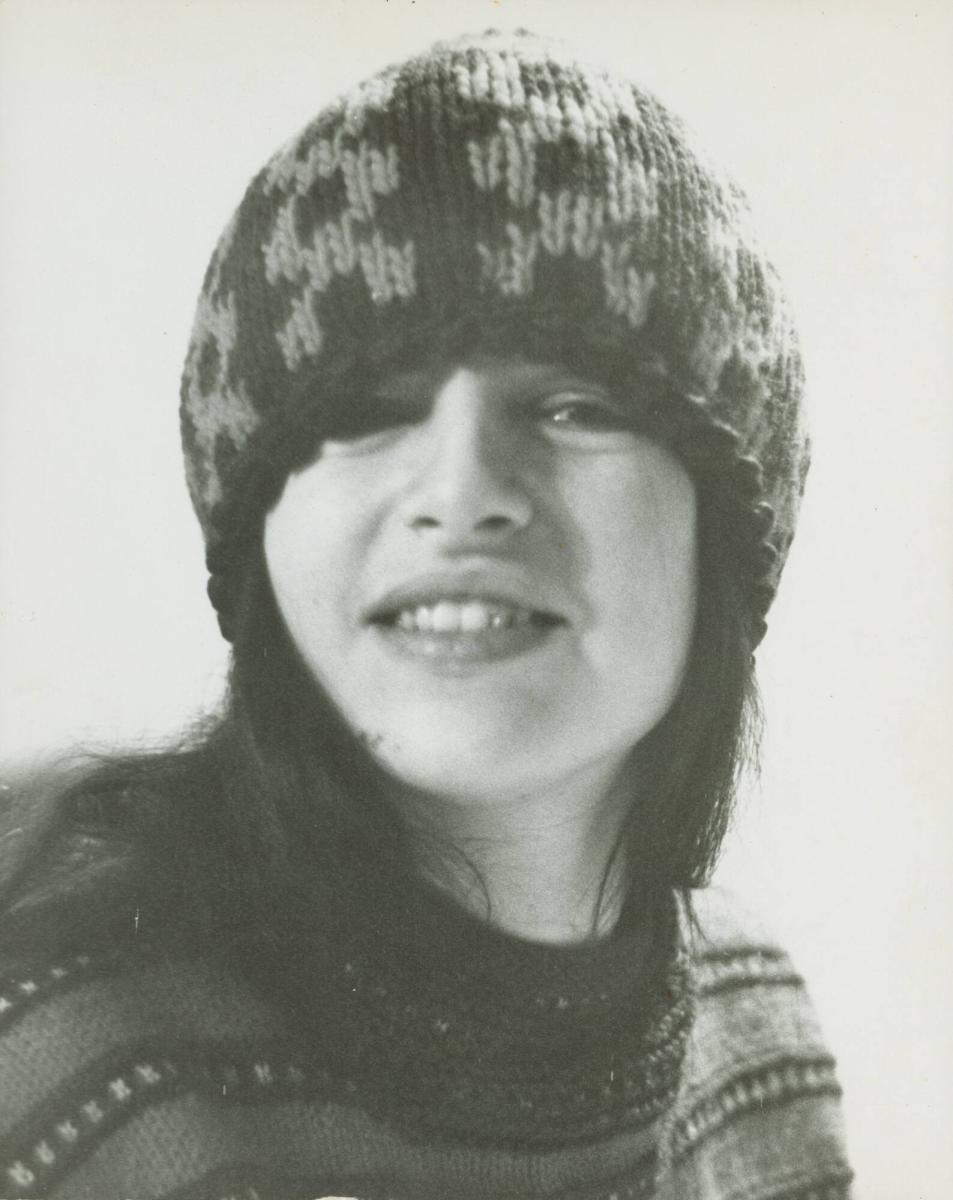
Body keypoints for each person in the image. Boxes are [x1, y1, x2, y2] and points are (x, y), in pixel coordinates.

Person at [0, 28, 853, 1200]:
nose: (460, 494)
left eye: (573, 406)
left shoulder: (756, 1036)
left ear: (726, 526)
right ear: (258, 532)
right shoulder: (46, 1043)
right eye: (365, 411)